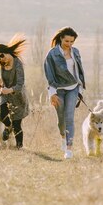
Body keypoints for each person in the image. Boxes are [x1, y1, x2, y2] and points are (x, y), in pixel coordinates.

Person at [43, 26, 86, 159]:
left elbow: (79, 71)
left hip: (73, 88)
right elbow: (49, 74)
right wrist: (52, 93)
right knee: (61, 120)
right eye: (67, 41)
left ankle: (69, 149)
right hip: (59, 89)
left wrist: (80, 88)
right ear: (61, 38)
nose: (69, 44)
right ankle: (63, 136)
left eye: (72, 41)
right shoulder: (52, 54)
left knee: (69, 118)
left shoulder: (76, 52)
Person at [0, 34, 30, 149]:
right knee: (1, 114)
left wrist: (8, 90)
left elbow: (20, 84)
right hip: (5, 94)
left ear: (6, 52)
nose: (0, 59)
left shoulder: (18, 64)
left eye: (1, 56)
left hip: (18, 96)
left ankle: (20, 147)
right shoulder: (3, 64)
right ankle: (7, 127)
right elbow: (4, 76)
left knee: (17, 124)